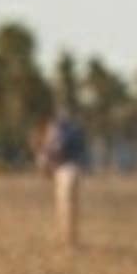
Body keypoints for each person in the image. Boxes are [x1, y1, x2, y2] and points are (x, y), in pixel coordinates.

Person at [34, 99, 88, 248]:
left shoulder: (60, 130)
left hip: (66, 169)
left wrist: (46, 159)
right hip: (69, 168)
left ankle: (68, 236)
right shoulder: (73, 129)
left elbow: (55, 150)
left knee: (66, 203)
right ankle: (68, 236)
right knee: (69, 204)